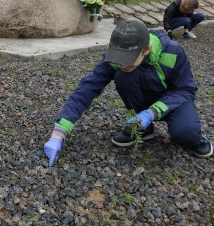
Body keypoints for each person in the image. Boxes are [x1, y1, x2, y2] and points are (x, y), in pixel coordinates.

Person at [43, 19, 212, 167]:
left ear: (146, 50)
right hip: (145, 102)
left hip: (173, 103)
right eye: (118, 57)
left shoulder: (174, 52)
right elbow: (87, 89)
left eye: (128, 59)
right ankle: (145, 130)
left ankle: (196, 138)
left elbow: (186, 90)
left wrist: (152, 112)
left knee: (185, 133)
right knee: (125, 75)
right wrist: (59, 133)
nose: (121, 64)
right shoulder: (116, 59)